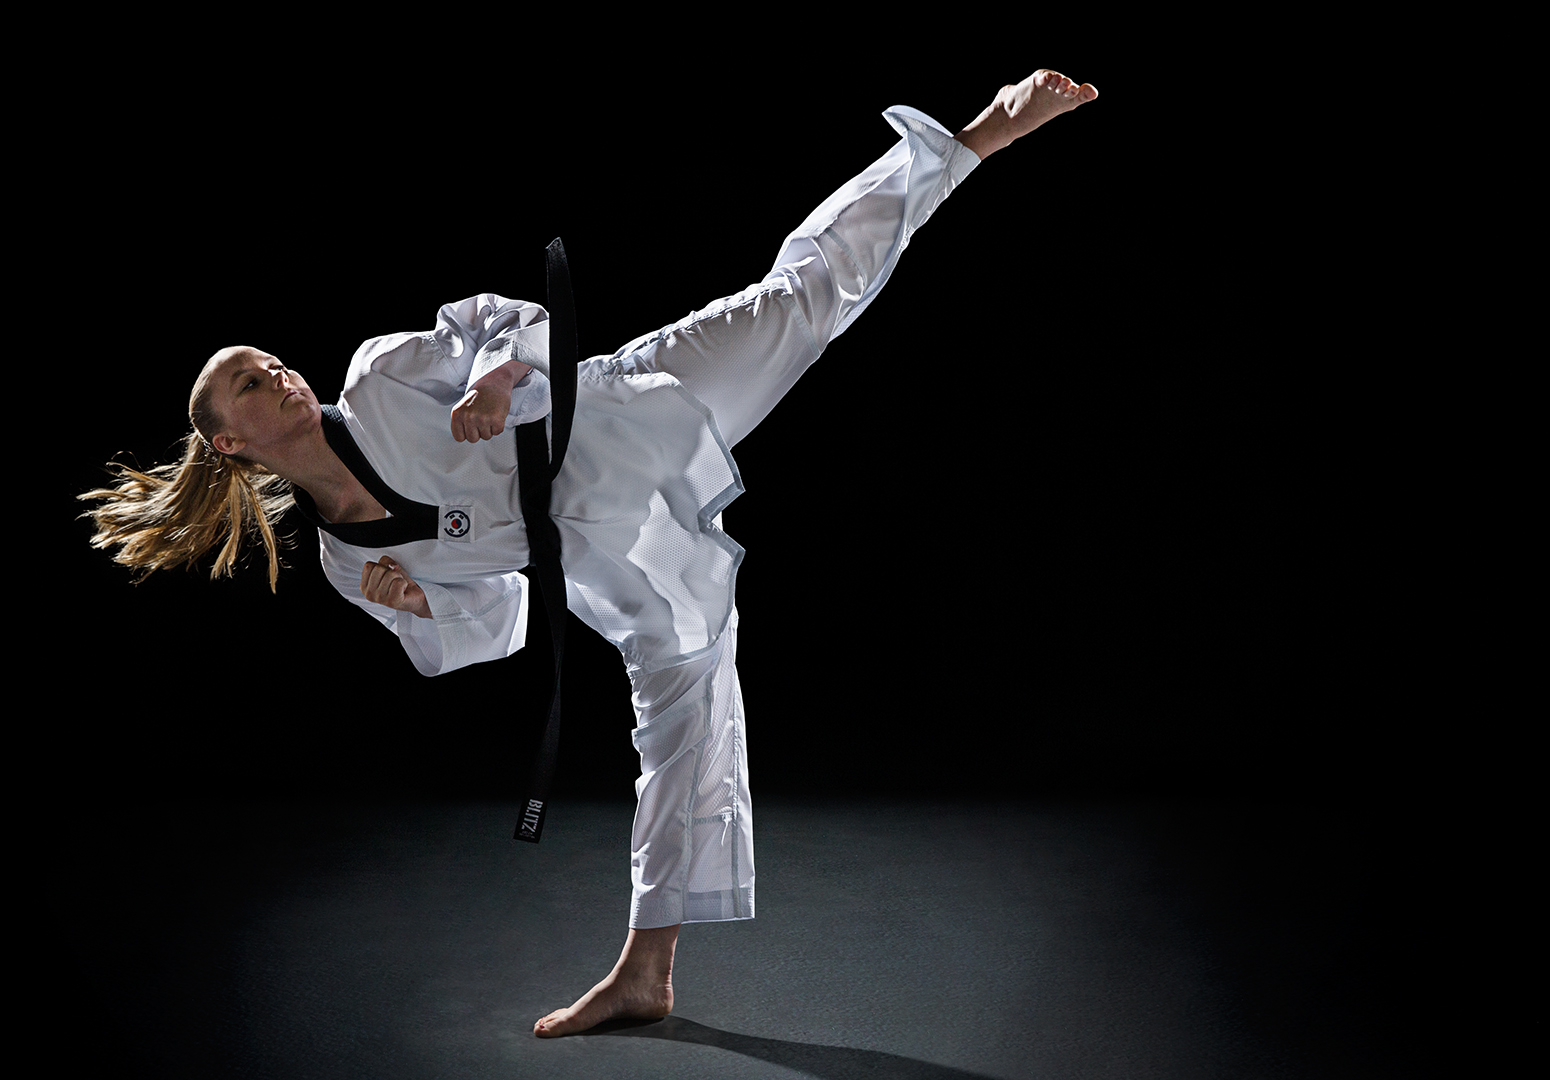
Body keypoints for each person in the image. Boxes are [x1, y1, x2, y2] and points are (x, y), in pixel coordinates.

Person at [81, 69, 1097, 1037]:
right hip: (599, 549)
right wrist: (425, 608)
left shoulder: (379, 379)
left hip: (614, 412)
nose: (279, 376)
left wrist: (494, 378)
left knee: (798, 301)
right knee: (683, 707)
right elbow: (499, 622)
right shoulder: (351, 562)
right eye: (252, 384)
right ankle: (645, 972)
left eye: (270, 362)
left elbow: (497, 321)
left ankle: (973, 138)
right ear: (231, 443)